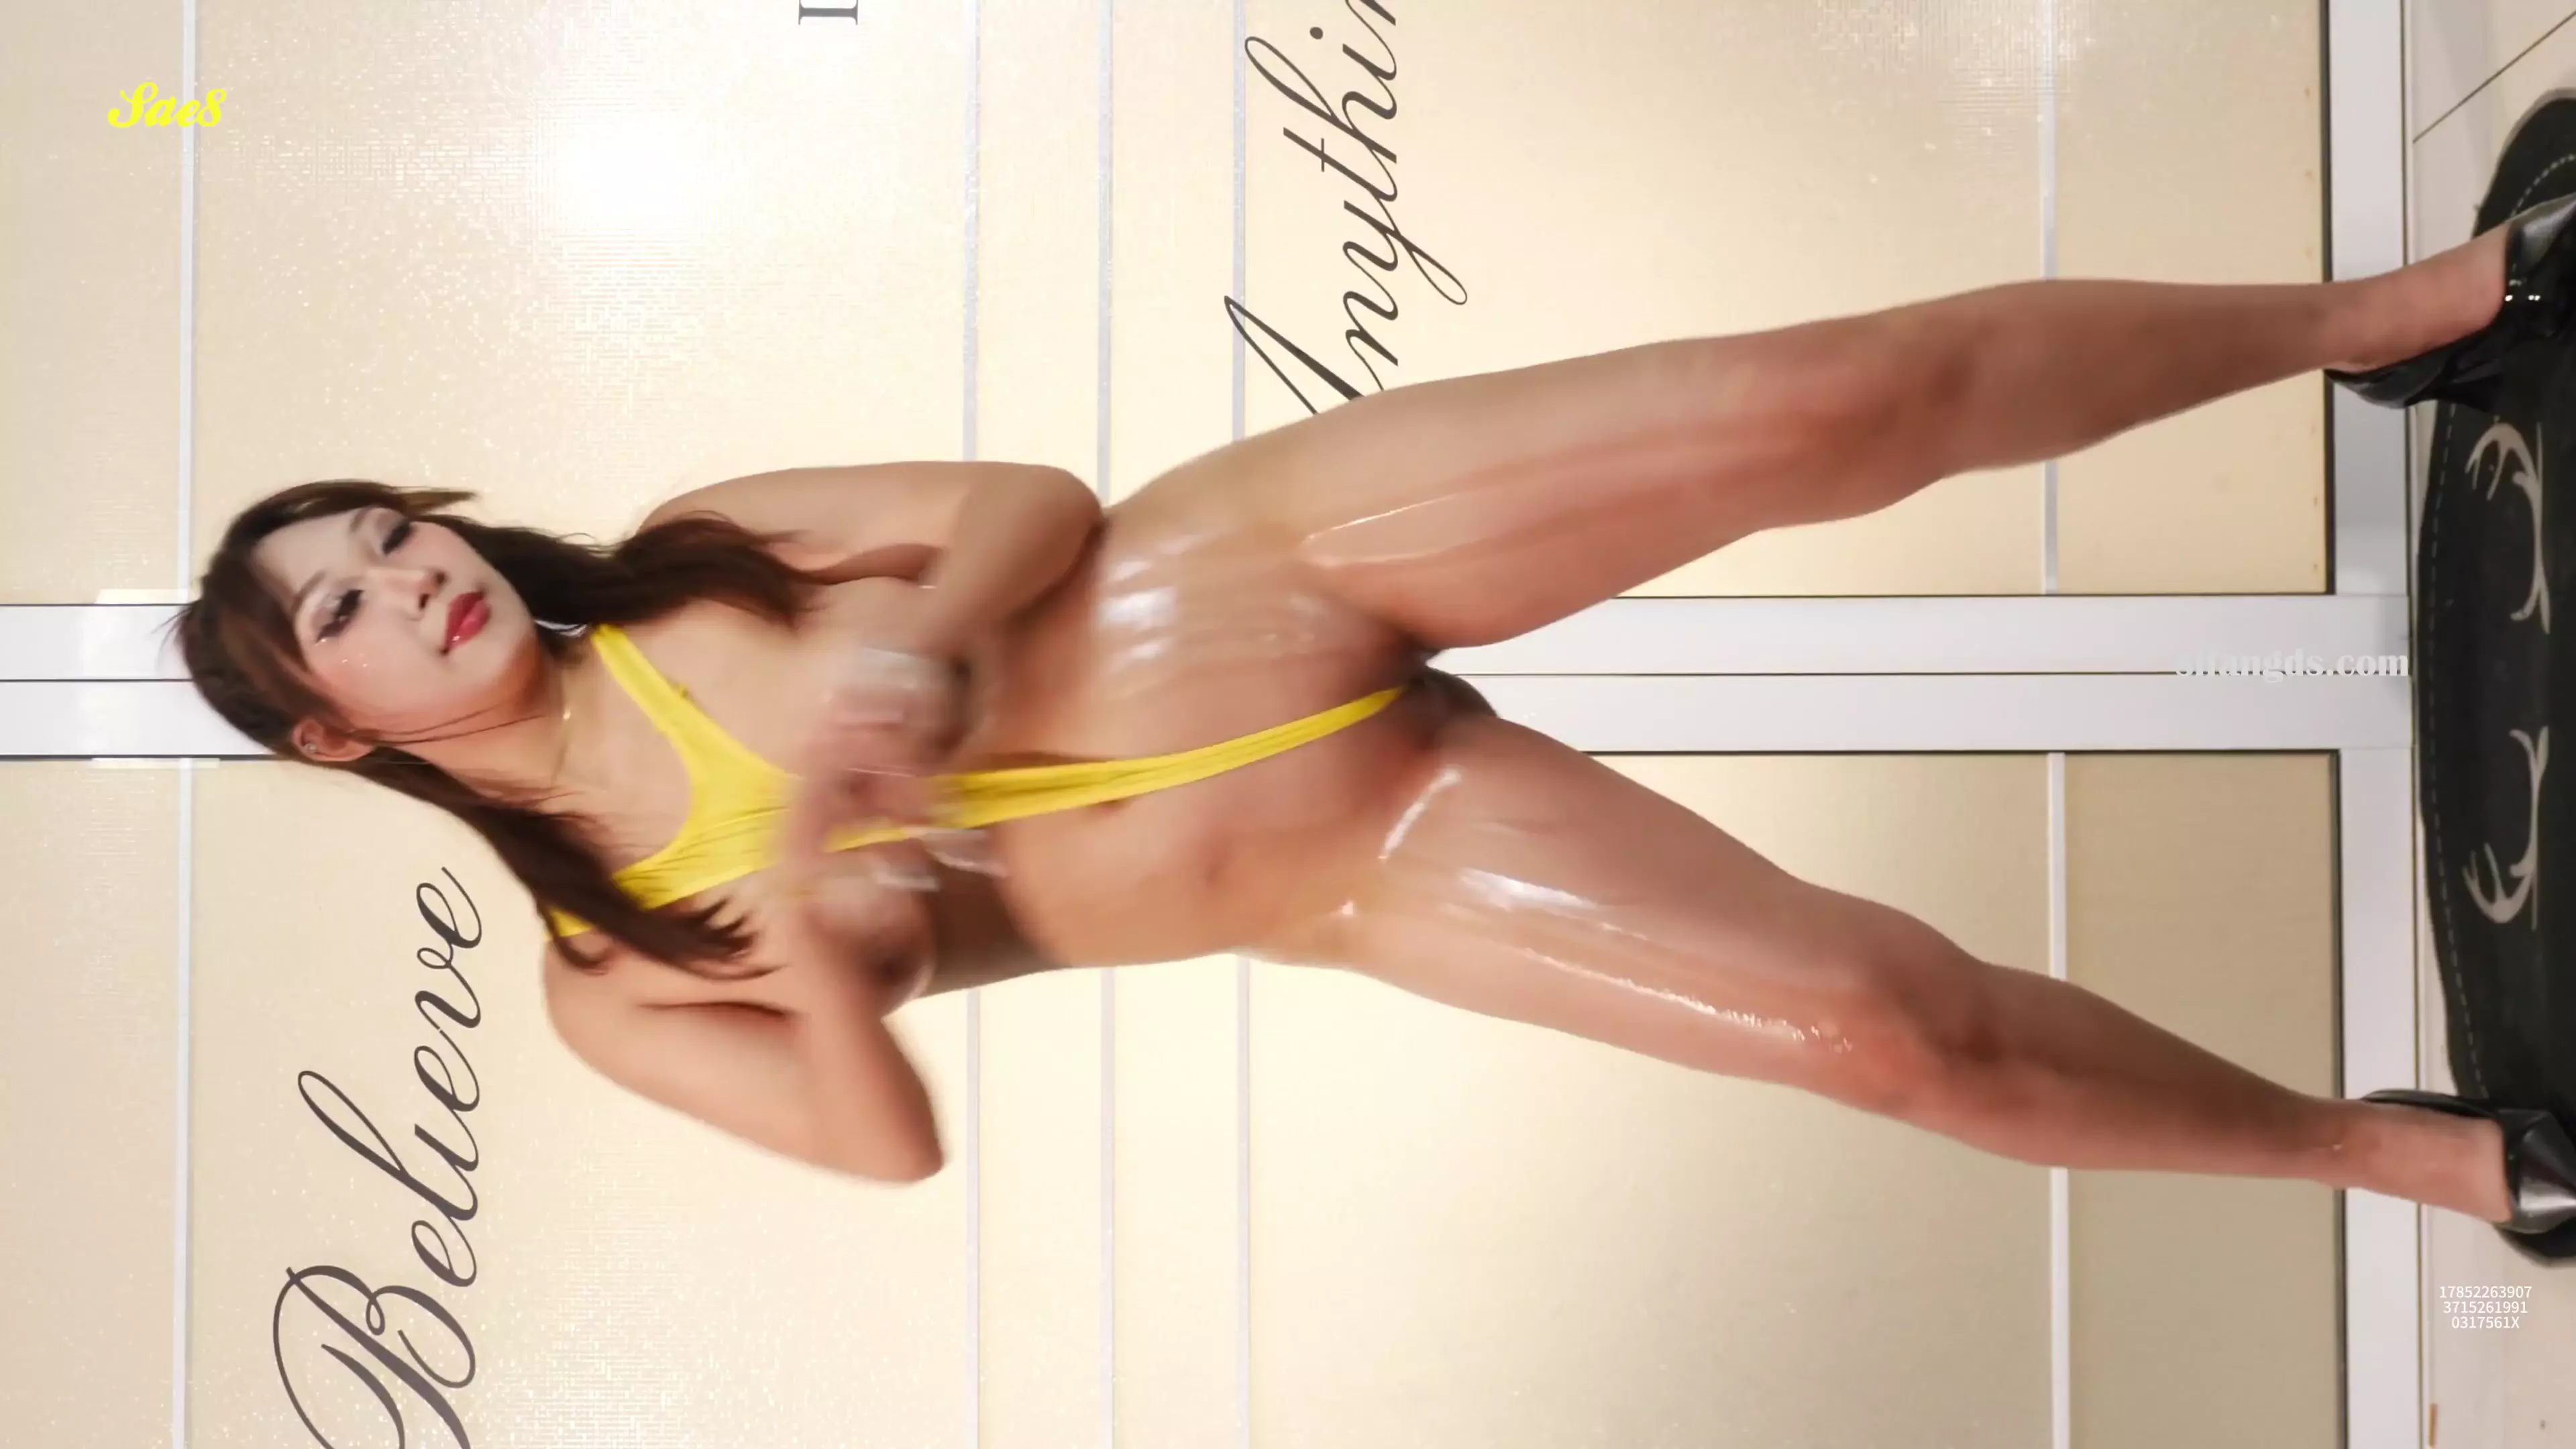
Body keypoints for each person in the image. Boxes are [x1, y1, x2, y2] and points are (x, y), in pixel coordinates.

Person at [176, 195, 2576, 1261]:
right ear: (333, 739)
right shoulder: (612, 977)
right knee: (1877, 1036)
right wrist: (810, 945)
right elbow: (880, 1149)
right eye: (348, 608)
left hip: (1261, 575)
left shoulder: (700, 550)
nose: (414, 574)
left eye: (390, 530)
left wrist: (928, 649)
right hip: (1346, 852)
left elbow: (1030, 504)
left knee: (1829, 399)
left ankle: (2400, 310)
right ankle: (2414, 1162)